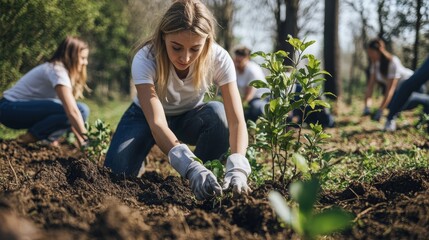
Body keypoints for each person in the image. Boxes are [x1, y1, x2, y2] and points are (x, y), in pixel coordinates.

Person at [104, 0, 251, 201]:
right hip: (146, 118)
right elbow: (157, 123)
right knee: (116, 173)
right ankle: (144, 150)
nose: (185, 57)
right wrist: (188, 166)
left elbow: (236, 121)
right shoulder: (146, 58)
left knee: (220, 116)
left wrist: (238, 166)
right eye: (177, 47)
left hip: (189, 116)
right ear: (164, 37)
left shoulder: (219, 58)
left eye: (195, 49)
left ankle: (205, 178)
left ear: (206, 42)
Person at [0, 36, 90, 147]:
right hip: (8, 109)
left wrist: (81, 140)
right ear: (71, 56)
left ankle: (46, 140)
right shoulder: (57, 71)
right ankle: (29, 138)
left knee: (81, 110)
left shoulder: (60, 72)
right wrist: (88, 139)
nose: (85, 62)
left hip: (15, 110)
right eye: (82, 58)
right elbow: (72, 112)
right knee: (81, 109)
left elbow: (71, 115)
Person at [363, 38, 426, 126]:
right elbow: (370, 87)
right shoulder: (375, 65)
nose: (369, 55)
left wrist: (380, 110)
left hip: (416, 87)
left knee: (393, 104)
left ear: (377, 51)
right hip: (400, 90)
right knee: (390, 104)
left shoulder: (392, 62)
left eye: (371, 53)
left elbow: (390, 90)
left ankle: (426, 100)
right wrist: (367, 107)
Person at [384, 55, 429, 131]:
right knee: (408, 85)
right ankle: (390, 119)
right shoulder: (376, 65)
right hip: (407, 89)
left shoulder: (393, 62)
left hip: (419, 90)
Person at [233, 45, 268, 122]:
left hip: (260, 98)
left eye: (239, 62)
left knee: (255, 108)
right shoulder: (236, 69)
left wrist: (237, 108)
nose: (237, 64)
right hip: (246, 99)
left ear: (247, 58)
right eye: (236, 61)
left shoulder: (252, 70)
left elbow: (249, 96)